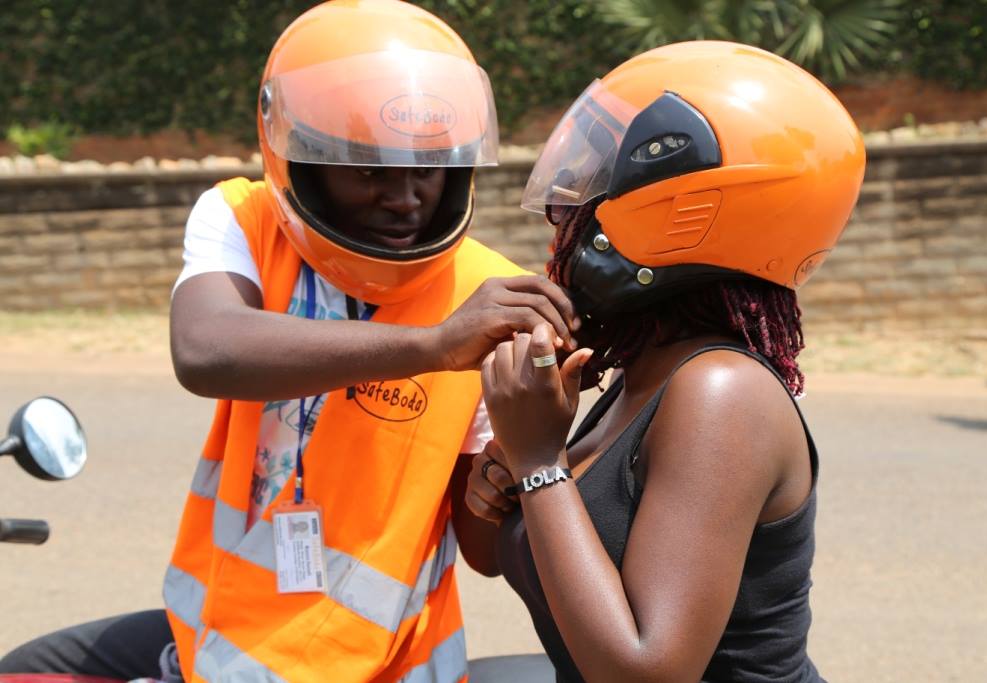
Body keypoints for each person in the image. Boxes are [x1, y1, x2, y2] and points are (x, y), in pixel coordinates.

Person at [0, 1, 578, 681]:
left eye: (427, 170)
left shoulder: (485, 294)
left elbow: (480, 551)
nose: (405, 198)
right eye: (369, 172)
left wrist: (509, 467)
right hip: (215, 633)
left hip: (379, 664)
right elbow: (207, 350)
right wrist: (436, 345)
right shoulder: (243, 220)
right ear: (297, 159)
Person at [465, 41, 865, 682]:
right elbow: (493, 558)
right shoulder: (638, 374)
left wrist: (541, 464)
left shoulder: (721, 392)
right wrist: (510, 471)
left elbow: (646, 673)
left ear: (675, 213)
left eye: (590, 186)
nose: (557, 213)